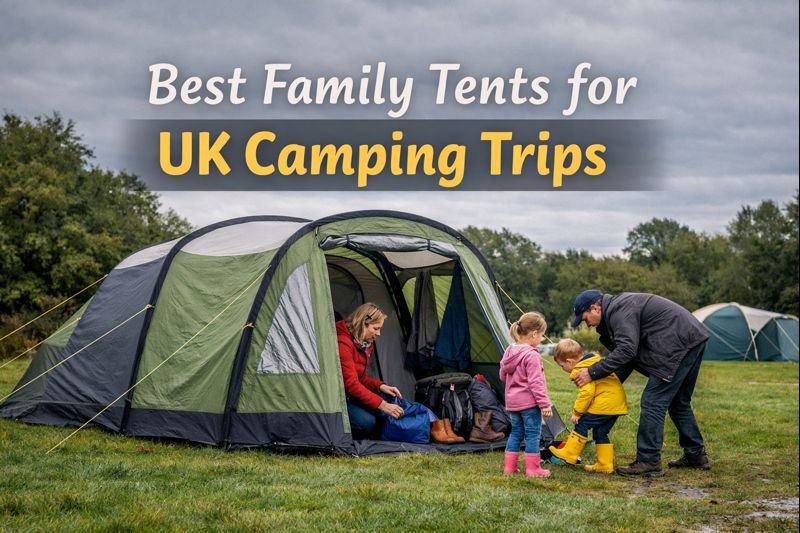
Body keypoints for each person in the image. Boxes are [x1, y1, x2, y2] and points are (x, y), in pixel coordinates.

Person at [570, 289, 711, 477]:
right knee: (678, 403)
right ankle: (695, 455)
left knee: (653, 401)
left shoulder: (619, 311)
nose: (585, 324)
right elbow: (628, 358)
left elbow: (627, 350)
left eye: (584, 317)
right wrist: (606, 386)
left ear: (595, 307)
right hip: (691, 336)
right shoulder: (617, 309)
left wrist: (592, 372)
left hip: (676, 342)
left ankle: (648, 460)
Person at [548, 339, 628, 474]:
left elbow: (587, 393)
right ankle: (605, 465)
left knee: (582, 424)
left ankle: (569, 453)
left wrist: (577, 412)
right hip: (616, 403)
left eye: (562, 366)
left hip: (605, 404)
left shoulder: (579, 370)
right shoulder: (595, 361)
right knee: (601, 432)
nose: (564, 370)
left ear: (569, 362)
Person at [336, 303, 404, 439]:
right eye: (376, 328)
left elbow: (360, 377)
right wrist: (382, 405)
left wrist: (381, 386)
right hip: (337, 400)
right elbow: (351, 384)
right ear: (363, 323)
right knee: (367, 422)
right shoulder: (343, 343)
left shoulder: (364, 342)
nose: (378, 334)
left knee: (389, 400)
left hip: (350, 395)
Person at [500, 311, 553, 477]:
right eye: (542, 336)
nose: (541, 340)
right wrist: (544, 404)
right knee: (532, 434)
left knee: (516, 432)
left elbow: (502, 376)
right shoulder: (531, 355)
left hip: (512, 403)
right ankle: (533, 469)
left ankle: (509, 468)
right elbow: (536, 383)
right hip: (529, 404)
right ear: (534, 333)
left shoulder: (510, 351)